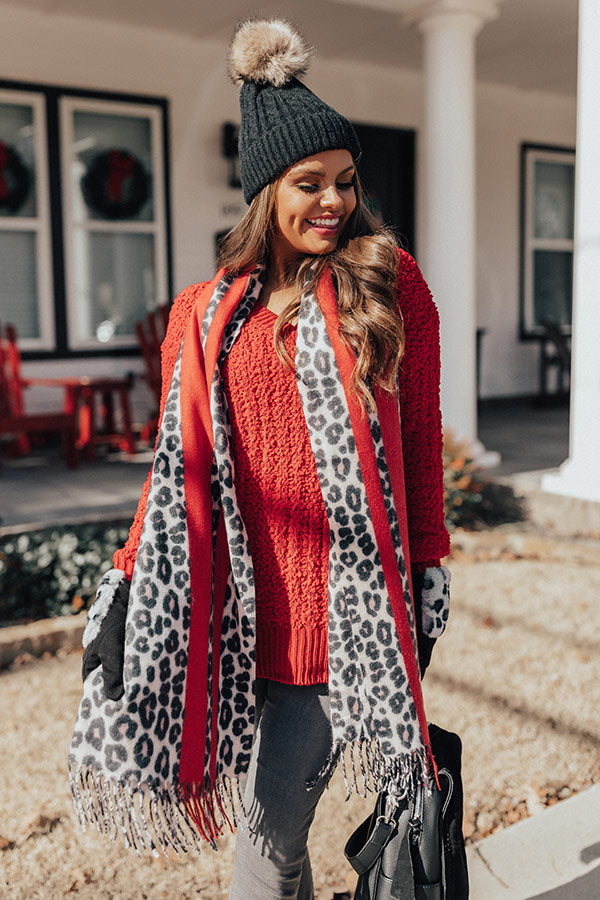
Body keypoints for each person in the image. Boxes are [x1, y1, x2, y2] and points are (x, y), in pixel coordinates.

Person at [69, 18, 451, 900]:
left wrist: (428, 573)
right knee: (275, 837)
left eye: (346, 183)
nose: (334, 203)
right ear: (264, 193)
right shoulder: (203, 315)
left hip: (341, 625)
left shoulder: (388, 285)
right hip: (233, 619)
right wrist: (125, 583)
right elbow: (173, 472)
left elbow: (422, 439)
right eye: (309, 184)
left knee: (267, 839)